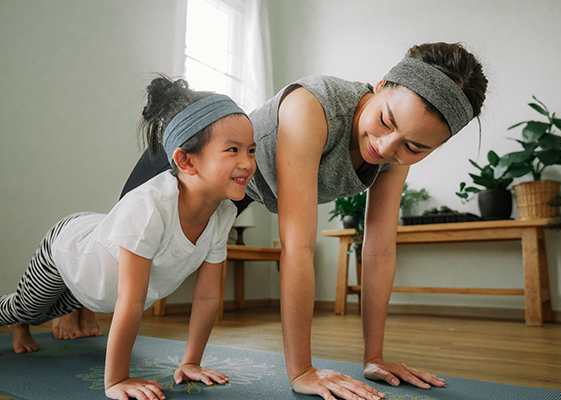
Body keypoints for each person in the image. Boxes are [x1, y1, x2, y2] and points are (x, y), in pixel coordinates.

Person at [61, 41, 488, 400]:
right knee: (112, 254)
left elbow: (378, 248)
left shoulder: (395, 149)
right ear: (380, 87)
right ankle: (73, 302)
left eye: (414, 147)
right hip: (199, 168)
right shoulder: (314, 106)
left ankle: (85, 311)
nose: (386, 146)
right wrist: (302, 371)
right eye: (385, 121)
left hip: (241, 188)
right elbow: (298, 246)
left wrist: (373, 358)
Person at [0, 77, 257, 400]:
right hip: (67, 250)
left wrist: (191, 362)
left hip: (96, 287)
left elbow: (206, 297)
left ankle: (23, 321)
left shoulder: (223, 215)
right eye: (233, 150)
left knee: (45, 311)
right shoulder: (150, 207)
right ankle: (16, 321)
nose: (247, 163)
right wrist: (116, 380)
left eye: (251, 150)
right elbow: (131, 300)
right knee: (26, 308)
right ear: (185, 161)